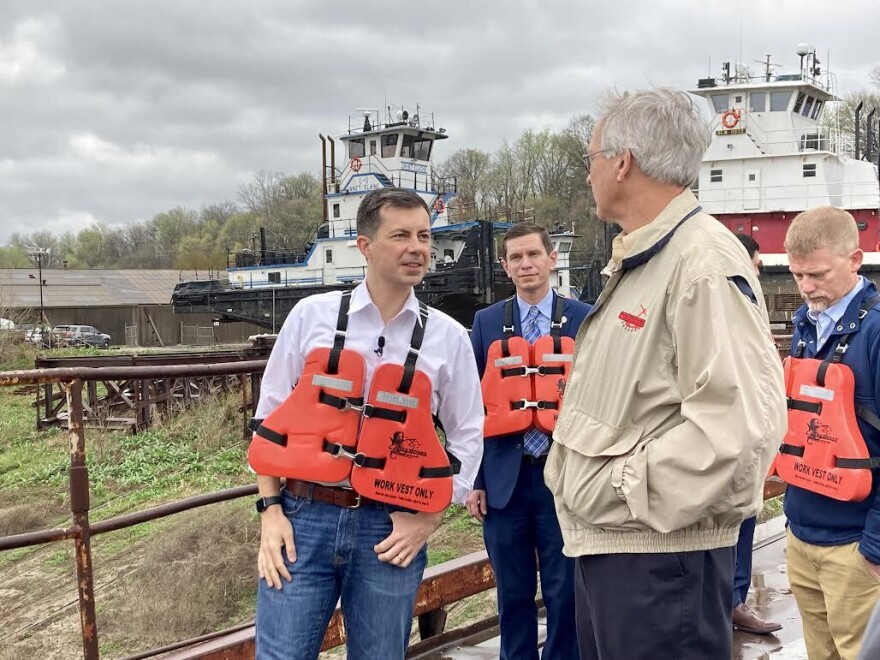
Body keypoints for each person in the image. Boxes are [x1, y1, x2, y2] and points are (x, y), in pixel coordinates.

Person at [543, 88, 787, 660]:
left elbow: (742, 427)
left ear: (622, 162)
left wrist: (621, 488)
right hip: (619, 550)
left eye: (591, 158)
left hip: (656, 562)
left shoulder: (700, 262)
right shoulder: (650, 257)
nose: (588, 175)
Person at [248, 187, 484, 660]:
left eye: (424, 236)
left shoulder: (448, 338)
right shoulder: (310, 317)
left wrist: (430, 517)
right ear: (365, 245)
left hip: (389, 528)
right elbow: (269, 421)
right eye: (400, 235)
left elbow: (468, 436)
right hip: (302, 518)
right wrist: (270, 513)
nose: (417, 247)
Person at [466, 222, 590, 659]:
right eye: (515, 258)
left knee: (566, 592)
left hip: (566, 479)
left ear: (551, 258)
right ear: (504, 266)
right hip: (505, 481)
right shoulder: (484, 324)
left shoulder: (584, 319)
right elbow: (473, 408)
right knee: (512, 594)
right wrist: (475, 481)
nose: (526, 265)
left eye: (533, 255)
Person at [778, 207, 880, 660]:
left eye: (816, 274)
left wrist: (874, 548)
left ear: (855, 259)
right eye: (797, 274)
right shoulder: (806, 323)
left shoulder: (875, 332)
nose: (806, 287)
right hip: (802, 533)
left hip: (855, 546)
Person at [730, 233, 782, 635]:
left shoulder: (751, 301)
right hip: (719, 430)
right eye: (755, 261)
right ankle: (723, 600)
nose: (759, 268)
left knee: (746, 517)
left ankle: (734, 598)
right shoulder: (719, 300)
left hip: (748, 430)